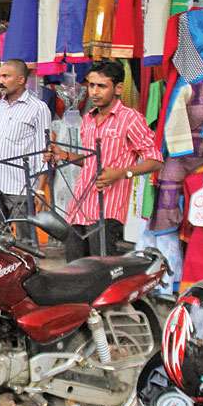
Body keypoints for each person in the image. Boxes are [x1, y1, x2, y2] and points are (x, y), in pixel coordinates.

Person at [46, 60, 163, 261]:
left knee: (100, 271)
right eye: (91, 85)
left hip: (107, 209)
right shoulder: (89, 120)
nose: (94, 92)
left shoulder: (130, 118)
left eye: (101, 86)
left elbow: (156, 160)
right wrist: (64, 155)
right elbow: (92, 161)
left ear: (118, 88)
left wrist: (121, 173)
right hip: (79, 206)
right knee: (74, 269)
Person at [0, 60, 54, 244]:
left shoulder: (38, 108)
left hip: (21, 186)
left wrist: (40, 190)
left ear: (20, 80)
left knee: (25, 242)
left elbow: (45, 150)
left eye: (6, 76)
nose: (0, 81)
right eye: (0, 76)